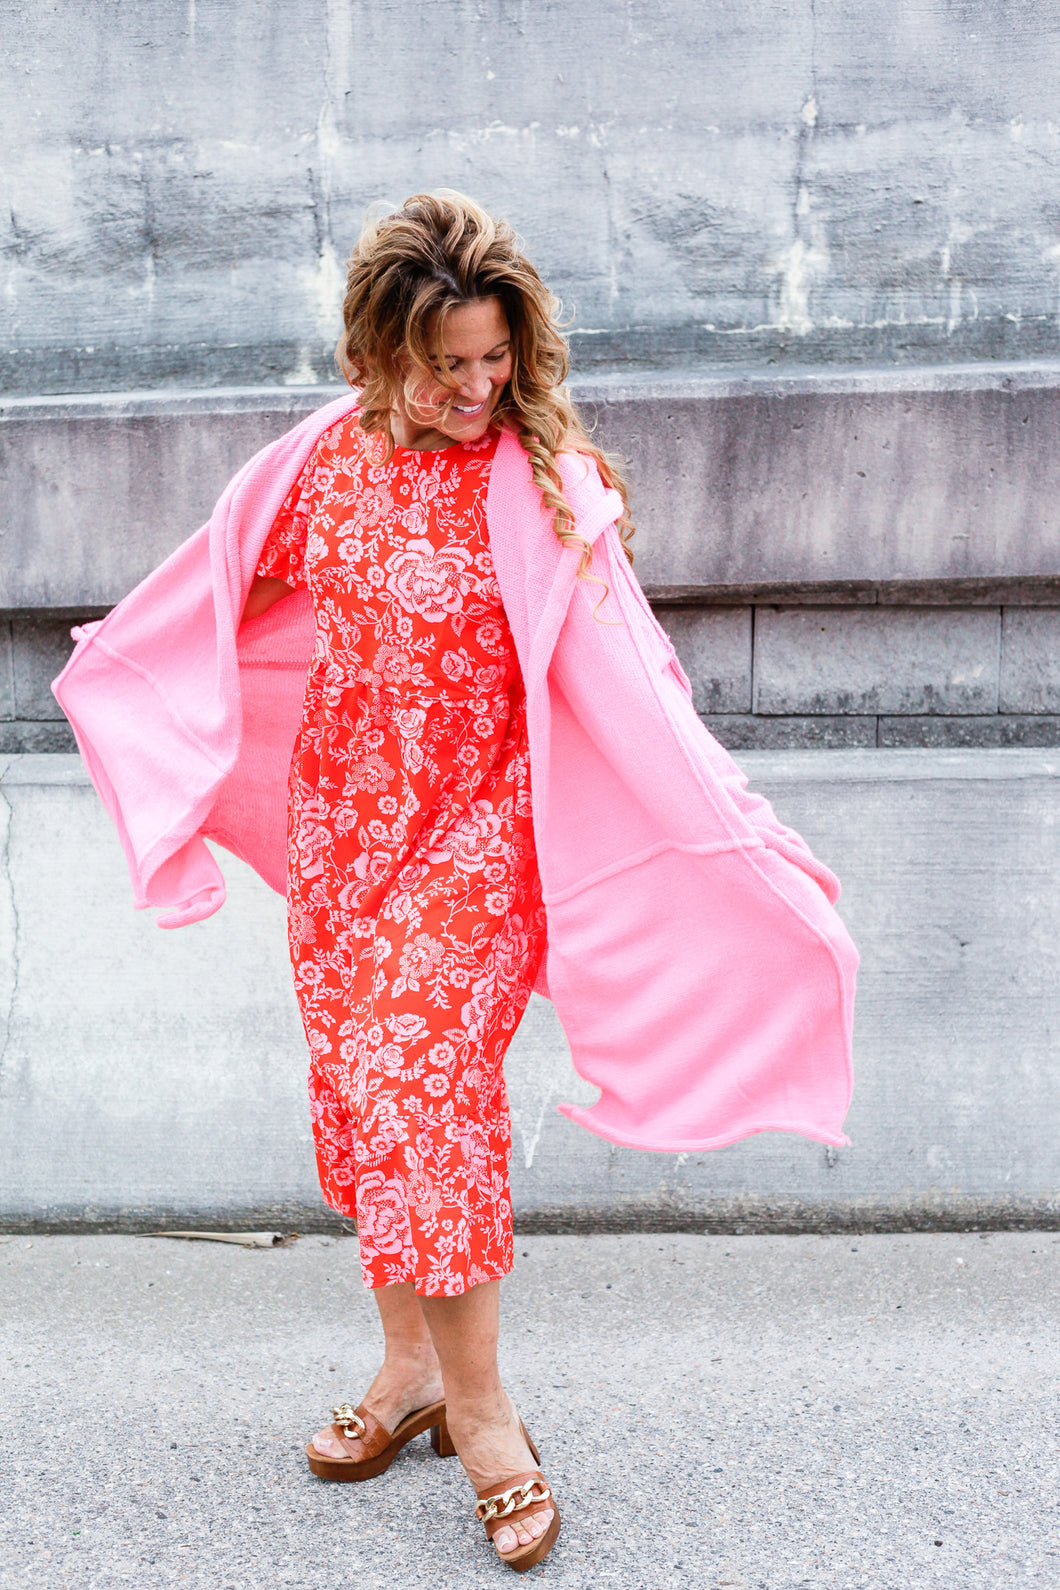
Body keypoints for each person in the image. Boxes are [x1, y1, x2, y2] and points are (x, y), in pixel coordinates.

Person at [54, 189, 857, 1575]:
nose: (481, 388)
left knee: (432, 1091)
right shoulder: (312, 468)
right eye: (451, 366)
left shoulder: (539, 488)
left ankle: (486, 1416)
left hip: (483, 839)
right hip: (344, 841)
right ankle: (405, 1369)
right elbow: (213, 607)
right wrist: (143, 694)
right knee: (368, 1100)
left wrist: (747, 831)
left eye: (498, 358)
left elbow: (641, 694)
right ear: (379, 356)